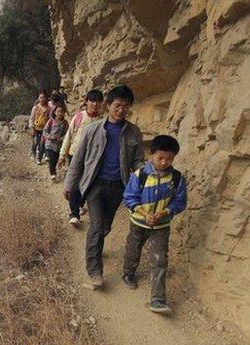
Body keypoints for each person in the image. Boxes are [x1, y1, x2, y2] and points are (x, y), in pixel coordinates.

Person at [63, 85, 144, 290]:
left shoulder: (134, 132)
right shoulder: (92, 130)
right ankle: (95, 272)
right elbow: (78, 160)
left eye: (125, 107)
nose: (121, 110)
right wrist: (70, 184)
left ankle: (95, 245)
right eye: (117, 105)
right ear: (108, 105)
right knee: (97, 227)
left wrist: (142, 172)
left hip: (119, 187)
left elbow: (137, 161)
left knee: (106, 227)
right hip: (95, 186)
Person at [121, 135, 187, 315]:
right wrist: (144, 213)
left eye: (169, 159)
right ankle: (128, 273)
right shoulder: (140, 175)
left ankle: (158, 300)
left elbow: (180, 202)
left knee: (160, 259)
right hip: (138, 222)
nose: (164, 162)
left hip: (161, 225)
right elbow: (129, 197)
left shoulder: (177, 178)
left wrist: (165, 212)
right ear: (151, 155)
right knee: (133, 247)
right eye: (160, 158)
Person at [59, 89, 104, 225]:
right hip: (75, 155)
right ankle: (74, 214)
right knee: (73, 183)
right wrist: (62, 154)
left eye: (98, 101)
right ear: (86, 101)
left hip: (92, 158)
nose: (95, 104)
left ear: (101, 103)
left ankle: (79, 204)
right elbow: (69, 135)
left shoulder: (102, 121)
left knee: (87, 183)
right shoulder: (79, 117)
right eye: (92, 101)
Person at [43, 104, 69, 180]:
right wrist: (50, 137)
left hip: (59, 145)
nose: (60, 113)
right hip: (50, 144)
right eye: (58, 111)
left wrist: (61, 138)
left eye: (62, 112)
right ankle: (53, 173)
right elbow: (45, 131)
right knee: (52, 159)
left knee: (57, 158)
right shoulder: (51, 121)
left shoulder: (65, 123)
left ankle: (55, 169)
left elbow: (67, 134)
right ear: (54, 112)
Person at [28, 91, 51, 164]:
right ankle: (33, 154)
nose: (42, 99)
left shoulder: (49, 109)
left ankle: (39, 158)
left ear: (46, 98)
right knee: (35, 143)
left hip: (44, 129)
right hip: (35, 128)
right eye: (40, 97)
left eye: (43, 97)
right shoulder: (35, 108)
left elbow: (50, 119)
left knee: (42, 143)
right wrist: (31, 127)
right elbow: (32, 118)